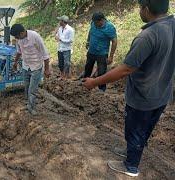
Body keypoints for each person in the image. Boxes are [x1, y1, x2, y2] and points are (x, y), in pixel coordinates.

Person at [83, 0, 174, 177]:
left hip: (142, 96)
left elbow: (125, 69)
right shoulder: (172, 25)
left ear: (146, 9)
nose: (140, 11)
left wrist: (94, 82)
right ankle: (132, 150)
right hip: (162, 93)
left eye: (140, 7)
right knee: (144, 130)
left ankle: (131, 166)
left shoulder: (147, 36)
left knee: (135, 130)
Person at [10, 24, 51, 116]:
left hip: (36, 67)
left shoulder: (35, 36)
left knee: (32, 89)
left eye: (17, 36)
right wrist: (15, 63)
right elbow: (19, 51)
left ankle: (32, 107)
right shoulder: (19, 39)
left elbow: (45, 54)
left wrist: (47, 69)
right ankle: (28, 103)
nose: (16, 38)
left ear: (21, 33)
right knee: (27, 86)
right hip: (26, 66)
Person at [84, 12, 117, 92]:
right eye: (94, 22)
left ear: (102, 20)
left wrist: (111, 56)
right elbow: (90, 31)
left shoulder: (109, 28)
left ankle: (101, 89)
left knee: (101, 72)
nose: (95, 24)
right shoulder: (93, 23)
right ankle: (85, 84)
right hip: (91, 51)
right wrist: (88, 41)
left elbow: (114, 41)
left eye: (96, 22)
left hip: (102, 54)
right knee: (87, 68)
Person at [55, 15, 75, 79]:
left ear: (63, 21)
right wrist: (56, 37)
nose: (59, 22)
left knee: (67, 63)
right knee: (60, 63)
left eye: (60, 21)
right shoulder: (60, 28)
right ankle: (62, 75)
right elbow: (57, 35)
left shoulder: (70, 30)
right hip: (60, 48)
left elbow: (71, 40)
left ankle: (66, 75)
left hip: (66, 49)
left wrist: (61, 39)